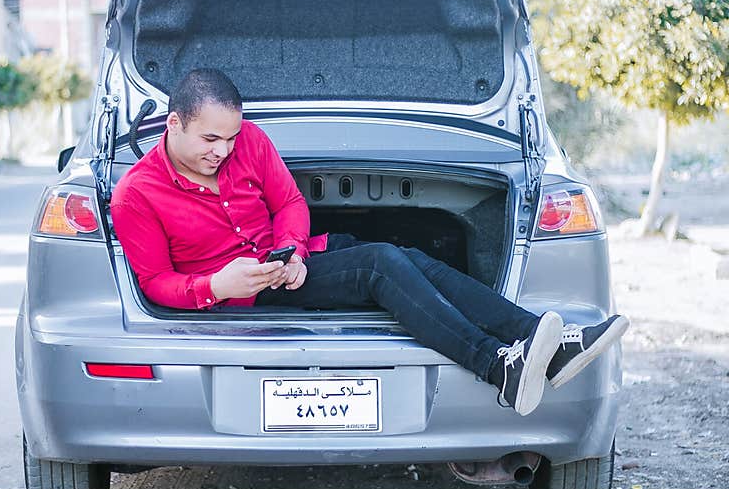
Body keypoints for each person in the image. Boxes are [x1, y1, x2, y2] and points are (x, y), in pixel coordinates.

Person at [110, 68, 629, 417]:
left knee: (412, 259)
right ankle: (499, 367)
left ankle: (543, 338)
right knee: (380, 264)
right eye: (209, 140)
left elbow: (290, 203)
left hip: (287, 262)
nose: (223, 150)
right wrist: (215, 285)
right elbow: (155, 284)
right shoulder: (136, 194)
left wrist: (291, 247)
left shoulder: (249, 141)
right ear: (174, 124)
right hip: (242, 290)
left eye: (230, 137)